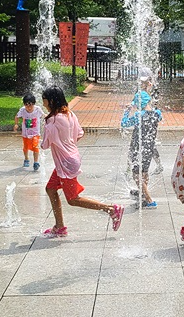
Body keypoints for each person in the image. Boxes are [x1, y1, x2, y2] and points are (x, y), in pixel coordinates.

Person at [41, 85, 124, 237]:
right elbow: (80, 134)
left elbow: (45, 145)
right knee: (51, 189)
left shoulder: (52, 121)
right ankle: (59, 227)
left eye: (44, 101)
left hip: (65, 164)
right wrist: (66, 143)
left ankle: (111, 209)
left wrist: (55, 139)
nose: (43, 104)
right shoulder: (69, 114)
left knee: (73, 199)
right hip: (70, 159)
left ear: (51, 101)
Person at [121, 97, 163, 208]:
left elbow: (124, 123)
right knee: (144, 172)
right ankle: (143, 193)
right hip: (149, 147)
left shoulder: (138, 115)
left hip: (138, 147)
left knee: (136, 174)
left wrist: (127, 112)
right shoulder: (157, 113)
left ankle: (149, 200)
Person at [14, 92, 45, 171]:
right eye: (26, 105)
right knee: (26, 147)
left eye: (30, 105)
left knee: (35, 146)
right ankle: (26, 158)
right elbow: (17, 116)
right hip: (26, 133)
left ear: (34, 104)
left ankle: (36, 162)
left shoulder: (37, 109)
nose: (29, 107)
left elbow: (44, 115)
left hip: (35, 133)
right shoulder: (23, 110)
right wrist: (16, 124)